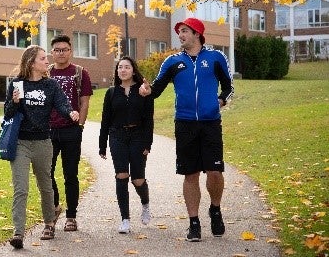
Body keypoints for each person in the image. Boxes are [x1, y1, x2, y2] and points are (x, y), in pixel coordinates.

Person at [139, 17, 234, 242]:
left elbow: (228, 86)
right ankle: (194, 223)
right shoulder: (172, 62)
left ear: (197, 33)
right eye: (179, 31)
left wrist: (220, 101)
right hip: (184, 123)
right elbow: (156, 90)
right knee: (190, 174)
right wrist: (146, 91)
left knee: (214, 172)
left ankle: (215, 210)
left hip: (211, 123)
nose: (180, 35)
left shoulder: (215, 58)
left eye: (184, 31)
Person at [3, 45, 80, 249]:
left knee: (45, 185)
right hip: (20, 143)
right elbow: (8, 114)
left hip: (43, 143)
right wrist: (14, 102)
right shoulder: (17, 84)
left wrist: (70, 113)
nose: (48, 61)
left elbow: (62, 104)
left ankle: (48, 223)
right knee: (21, 188)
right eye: (43, 58)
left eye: (47, 58)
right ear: (31, 62)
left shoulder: (51, 85)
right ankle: (18, 232)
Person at [99, 56, 154, 234]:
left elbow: (148, 119)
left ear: (133, 70)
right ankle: (125, 219)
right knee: (121, 175)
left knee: (138, 179)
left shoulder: (143, 91)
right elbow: (105, 120)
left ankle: (145, 203)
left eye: (127, 67)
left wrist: (148, 143)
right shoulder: (112, 92)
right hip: (117, 136)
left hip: (138, 136)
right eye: (120, 67)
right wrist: (102, 145)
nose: (123, 70)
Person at [48, 34, 93, 232]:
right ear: (52, 52)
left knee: (70, 175)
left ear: (70, 51)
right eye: (57, 50)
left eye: (64, 49)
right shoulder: (45, 73)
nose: (61, 53)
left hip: (71, 131)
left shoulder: (80, 73)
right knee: (45, 173)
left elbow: (84, 102)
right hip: (48, 131)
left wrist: (80, 126)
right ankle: (55, 207)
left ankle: (71, 217)